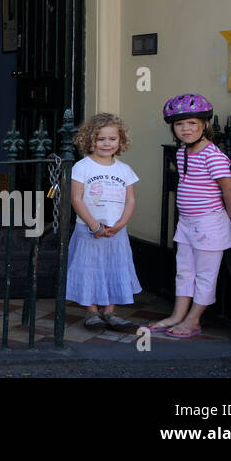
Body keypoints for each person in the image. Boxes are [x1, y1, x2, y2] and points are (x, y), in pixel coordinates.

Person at [148, 93, 231, 338]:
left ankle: (194, 319)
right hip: (187, 223)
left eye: (192, 123)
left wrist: (228, 222)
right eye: (179, 124)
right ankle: (178, 315)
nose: (185, 129)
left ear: (204, 125)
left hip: (210, 223)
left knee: (205, 274)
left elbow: (229, 189)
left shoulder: (213, 155)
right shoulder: (182, 154)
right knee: (184, 269)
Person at [65, 112, 142, 332]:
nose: (107, 144)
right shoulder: (82, 166)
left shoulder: (124, 170)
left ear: (120, 141)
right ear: (90, 140)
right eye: (101, 139)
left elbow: (131, 200)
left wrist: (120, 224)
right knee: (88, 269)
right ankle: (91, 312)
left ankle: (110, 311)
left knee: (114, 268)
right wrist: (94, 225)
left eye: (112, 139)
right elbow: (76, 198)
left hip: (116, 231)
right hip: (88, 230)